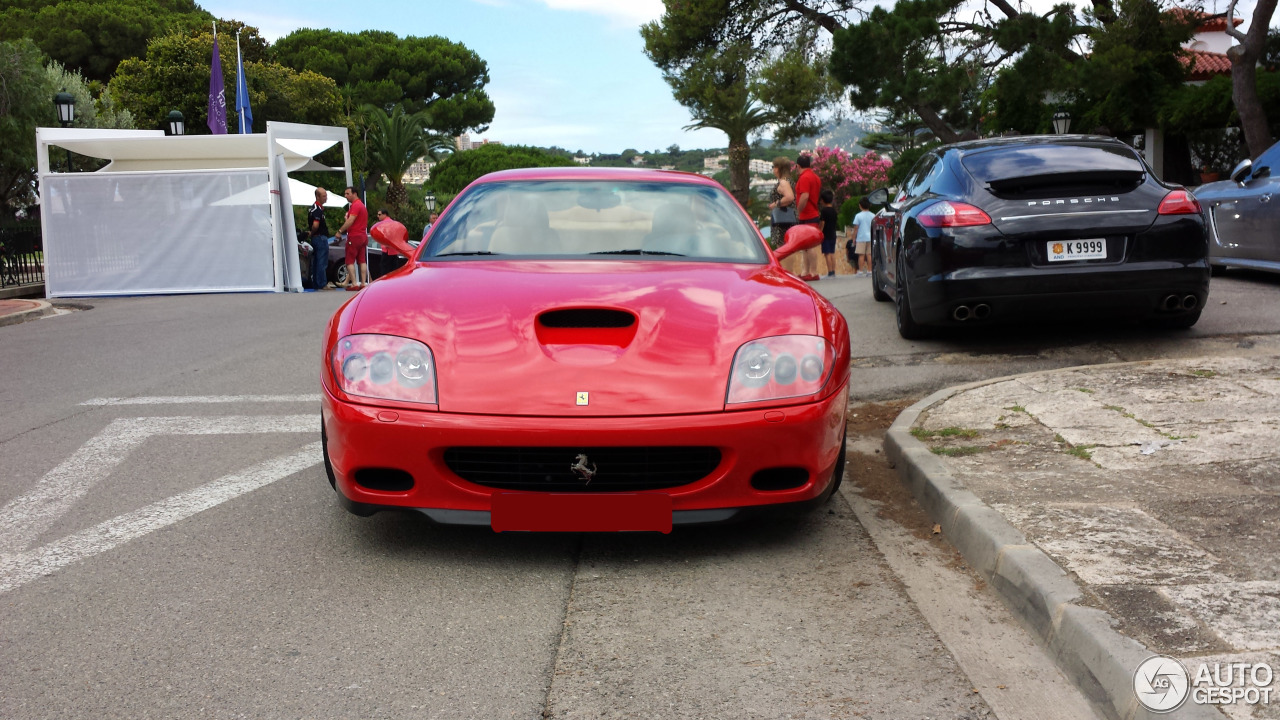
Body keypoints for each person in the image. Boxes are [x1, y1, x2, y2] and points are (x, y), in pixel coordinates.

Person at [335, 187, 370, 291]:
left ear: (354, 194)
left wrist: (340, 231)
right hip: (363, 235)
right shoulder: (362, 206)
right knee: (362, 260)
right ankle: (363, 282)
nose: (346, 196)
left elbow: (351, 220)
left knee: (349, 260)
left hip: (354, 236)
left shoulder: (355, 206)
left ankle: (354, 283)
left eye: (347, 194)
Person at [794, 153, 822, 281]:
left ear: (798, 166)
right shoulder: (815, 177)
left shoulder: (804, 178)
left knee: (809, 246)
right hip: (813, 213)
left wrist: (798, 210)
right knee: (805, 246)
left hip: (807, 214)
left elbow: (804, 196)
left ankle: (813, 272)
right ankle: (806, 271)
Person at [767, 157, 796, 252]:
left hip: (782, 220)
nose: (773, 169)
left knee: (783, 249)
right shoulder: (789, 180)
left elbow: (790, 197)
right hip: (788, 218)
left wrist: (775, 204)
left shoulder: (783, 182)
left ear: (778, 168)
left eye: (773, 167)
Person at [307, 188, 331, 290]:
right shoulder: (317, 210)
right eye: (324, 196)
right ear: (318, 197)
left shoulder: (314, 208)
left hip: (316, 238)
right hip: (320, 237)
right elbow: (315, 225)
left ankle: (317, 283)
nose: (326, 198)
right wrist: (313, 232)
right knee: (322, 261)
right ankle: (322, 283)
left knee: (316, 261)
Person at [852, 197, 875, 276]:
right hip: (871, 237)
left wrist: (854, 238)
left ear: (860, 205)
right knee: (869, 254)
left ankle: (861, 271)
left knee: (861, 255)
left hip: (861, 237)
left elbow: (856, 229)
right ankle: (870, 271)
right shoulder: (873, 215)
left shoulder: (858, 216)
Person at [818, 189, 839, 277]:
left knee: (827, 253)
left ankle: (830, 271)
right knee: (832, 253)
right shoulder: (834, 211)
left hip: (826, 234)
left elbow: (822, 222)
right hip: (833, 234)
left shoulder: (824, 211)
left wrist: (820, 231)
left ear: (823, 200)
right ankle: (833, 271)